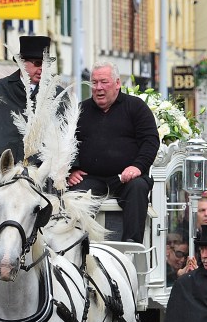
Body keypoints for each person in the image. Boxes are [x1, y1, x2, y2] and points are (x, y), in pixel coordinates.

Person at [68, 61, 160, 243]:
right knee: (75, 196)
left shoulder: (136, 107)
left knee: (138, 188)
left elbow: (150, 141)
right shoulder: (80, 110)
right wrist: (72, 169)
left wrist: (137, 167)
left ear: (117, 83)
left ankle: (131, 246)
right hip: (91, 177)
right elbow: (68, 142)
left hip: (127, 177)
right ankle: (77, 248)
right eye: (94, 83)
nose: (98, 88)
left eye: (104, 82)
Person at [0, 35, 57, 176]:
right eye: (37, 63)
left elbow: (65, 137)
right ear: (22, 63)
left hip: (43, 175)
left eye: (45, 64)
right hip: (3, 172)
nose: (42, 69)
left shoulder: (57, 94)